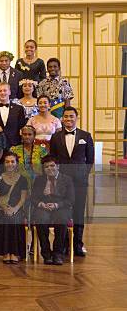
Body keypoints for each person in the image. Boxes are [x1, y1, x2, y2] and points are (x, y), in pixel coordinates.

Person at [49, 107, 94, 257]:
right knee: (62, 212)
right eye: (66, 117)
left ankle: (78, 245)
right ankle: (62, 245)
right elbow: (53, 159)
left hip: (80, 181)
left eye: (71, 116)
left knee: (78, 212)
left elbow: (90, 160)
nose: (68, 119)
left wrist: (82, 174)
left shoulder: (85, 136)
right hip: (61, 182)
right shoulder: (55, 137)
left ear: (77, 117)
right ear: (62, 118)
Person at [31, 155, 75, 265]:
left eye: (52, 165)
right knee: (41, 219)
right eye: (46, 167)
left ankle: (58, 253)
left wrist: (56, 205)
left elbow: (70, 200)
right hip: (43, 206)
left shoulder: (67, 179)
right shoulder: (39, 179)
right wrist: (41, 204)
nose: (50, 169)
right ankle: (46, 254)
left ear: (58, 166)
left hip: (60, 207)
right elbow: (33, 197)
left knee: (61, 219)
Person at [0, 152, 28, 263]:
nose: (10, 164)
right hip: (1, 208)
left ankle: (15, 253)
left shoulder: (23, 179)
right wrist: (4, 208)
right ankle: (5, 252)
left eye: (12, 161)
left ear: (17, 164)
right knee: (5, 218)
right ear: (3, 163)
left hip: (17, 209)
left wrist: (15, 209)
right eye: (7, 161)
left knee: (14, 219)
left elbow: (23, 198)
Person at [0, 82, 27, 148]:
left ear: (9, 92)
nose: (2, 93)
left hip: (14, 144)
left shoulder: (19, 108)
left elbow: (22, 127)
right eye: (0, 91)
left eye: (5, 90)